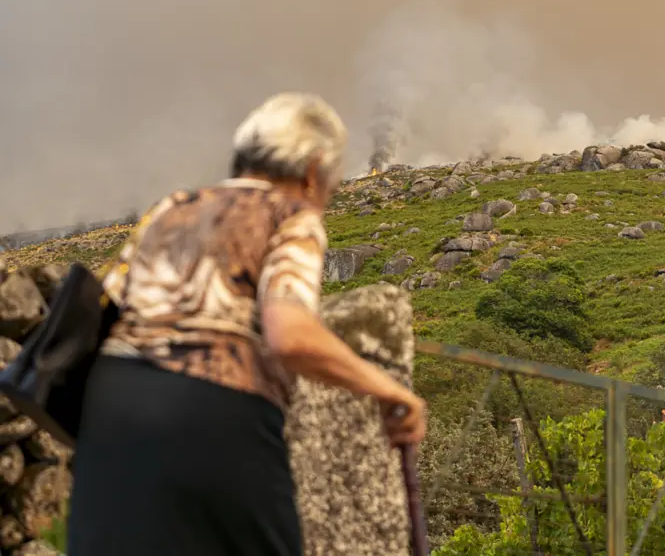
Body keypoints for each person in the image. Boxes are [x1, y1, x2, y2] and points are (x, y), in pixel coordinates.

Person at [67, 92, 426, 556]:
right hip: (216, 406)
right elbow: (290, 335)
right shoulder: (289, 213)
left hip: (112, 407)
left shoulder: (172, 207)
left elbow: (107, 307)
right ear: (314, 171)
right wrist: (388, 390)